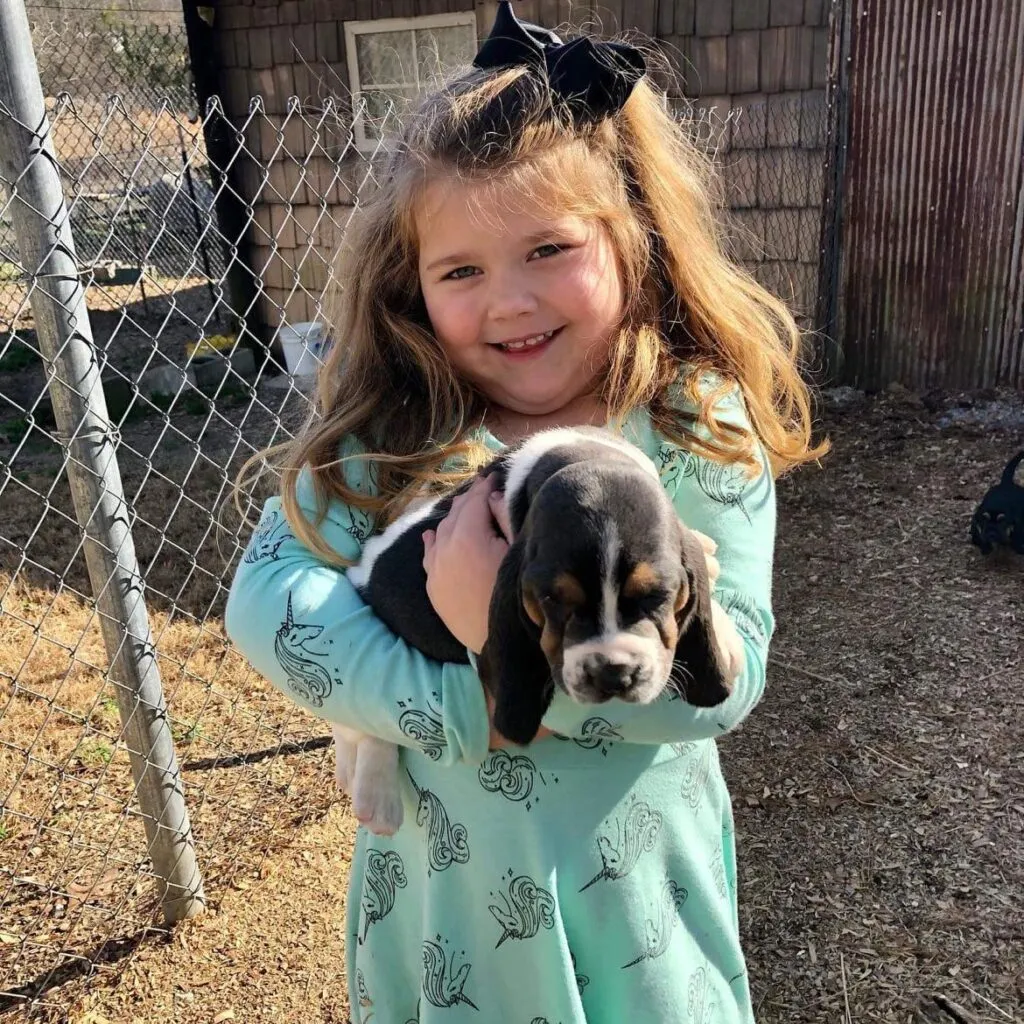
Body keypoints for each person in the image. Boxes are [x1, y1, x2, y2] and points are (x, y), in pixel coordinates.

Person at [225, 4, 827, 1020]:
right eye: (461, 270)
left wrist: (506, 654)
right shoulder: (399, 430)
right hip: (450, 904)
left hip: (633, 906)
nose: (508, 301)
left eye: (549, 249)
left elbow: (729, 676)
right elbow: (266, 603)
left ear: (631, 237)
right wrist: (467, 698)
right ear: (411, 285)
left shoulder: (689, 424)